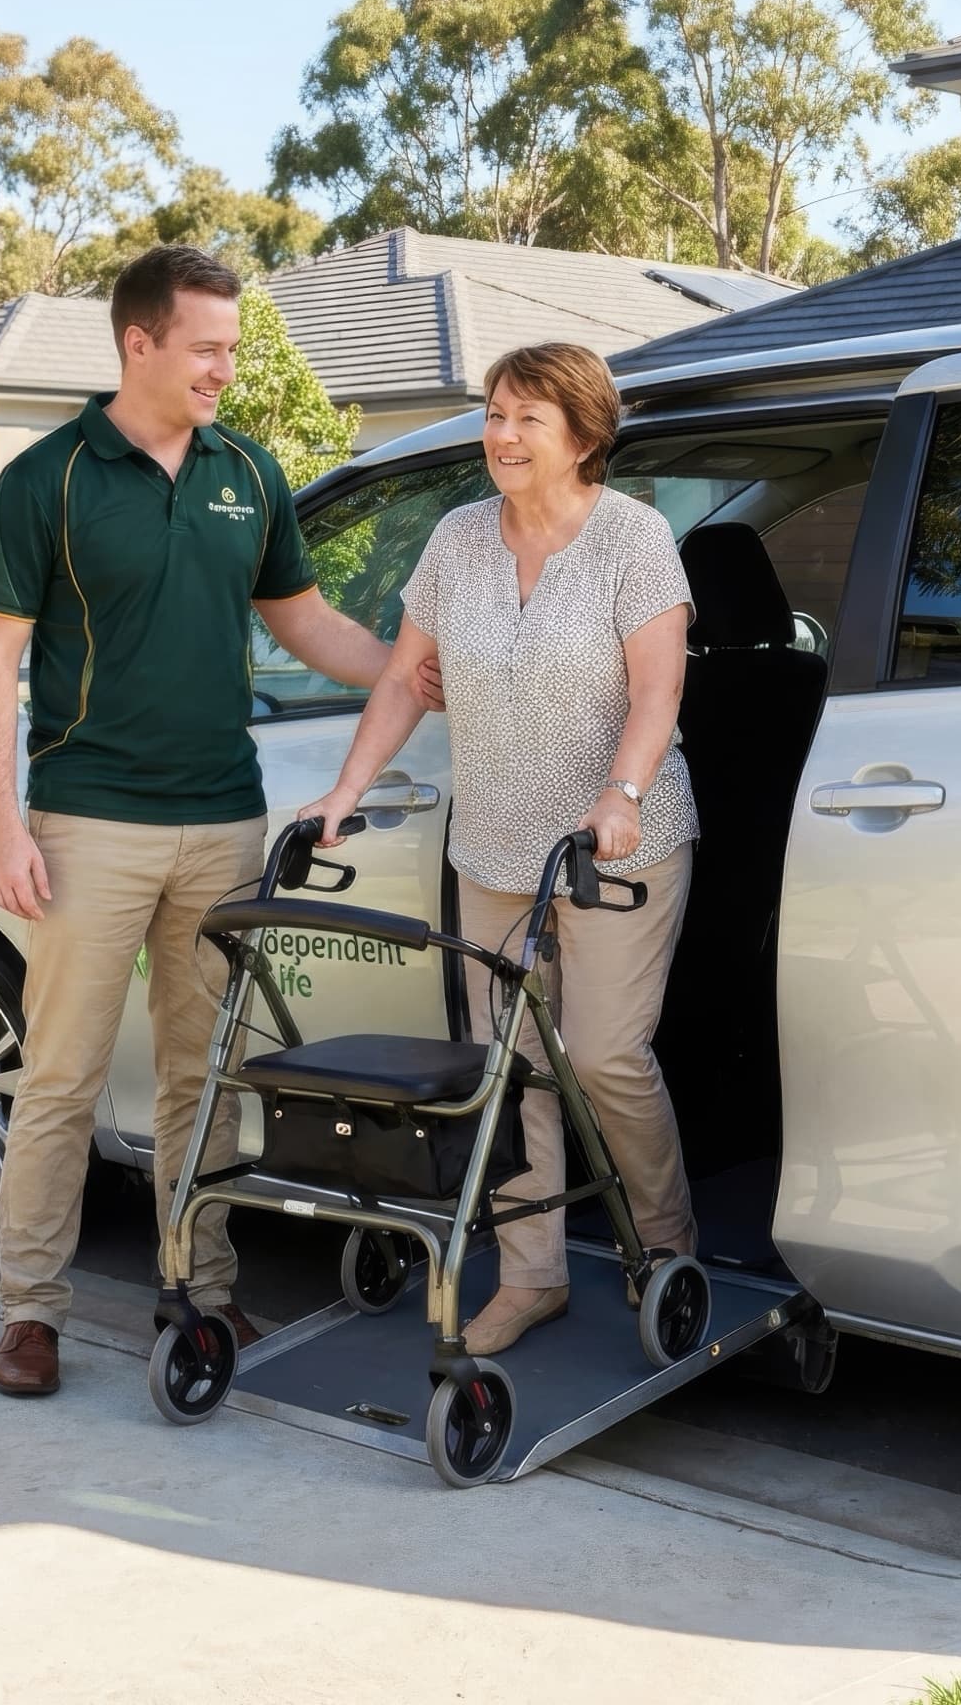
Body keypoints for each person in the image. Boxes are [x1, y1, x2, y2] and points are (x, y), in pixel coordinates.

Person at [0, 244, 440, 1398]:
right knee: (64, 1075)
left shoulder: (247, 471)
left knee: (204, 1071)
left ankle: (201, 1285)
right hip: (90, 820)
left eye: (231, 345)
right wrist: (1, 826)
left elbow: (307, 621)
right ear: (139, 343)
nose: (227, 366)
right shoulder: (50, 480)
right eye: (207, 347)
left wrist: (416, 670)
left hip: (223, 816)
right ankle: (31, 1311)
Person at [300, 341, 699, 1356]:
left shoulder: (633, 539)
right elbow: (402, 678)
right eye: (493, 412)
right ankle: (532, 1275)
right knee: (511, 1067)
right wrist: (347, 789)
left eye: (526, 416)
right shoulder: (458, 538)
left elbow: (657, 691)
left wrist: (619, 794)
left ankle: (665, 1242)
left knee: (605, 1056)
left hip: (616, 846)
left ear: (584, 434)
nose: (501, 434)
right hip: (491, 849)